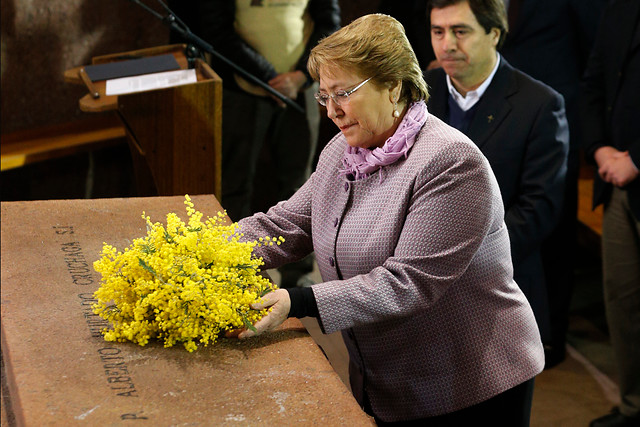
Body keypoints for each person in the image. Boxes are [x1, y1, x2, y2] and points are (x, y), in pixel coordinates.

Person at [231, 14, 544, 425]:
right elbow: (288, 224)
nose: (332, 112)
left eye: (343, 93)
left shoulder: (450, 162)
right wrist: (202, 248)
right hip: (389, 380)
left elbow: (407, 283)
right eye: (323, 97)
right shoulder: (341, 153)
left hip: (469, 385)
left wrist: (299, 301)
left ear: (394, 86)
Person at [423, 0, 569, 347]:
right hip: (423, 285)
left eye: (461, 31)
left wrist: (458, 256)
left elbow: (538, 210)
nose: (447, 45)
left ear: (494, 33)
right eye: (438, 32)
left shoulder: (540, 104)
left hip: (500, 286)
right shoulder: (419, 93)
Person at [197, 0, 341, 288]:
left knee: (301, 185)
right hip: (244, 88)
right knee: (235, 185)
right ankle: (235, 272)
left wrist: (302, 75)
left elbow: (330, 25)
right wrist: (268, 76)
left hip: (302, 90)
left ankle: (297, 277)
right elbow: (216, 31)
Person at [500, 0, 608, 368]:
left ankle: (550, 337)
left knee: (556, 236)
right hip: (502, 114)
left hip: (554, 115)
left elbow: (595, 47)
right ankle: (511, 333)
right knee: (511, 219)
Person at [581, 1, 640, 425]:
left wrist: (637, 159)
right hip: (617, 179)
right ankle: (634, 406)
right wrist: (599, 147)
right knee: (624, 301)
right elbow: (594, 81)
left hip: (632, 168)